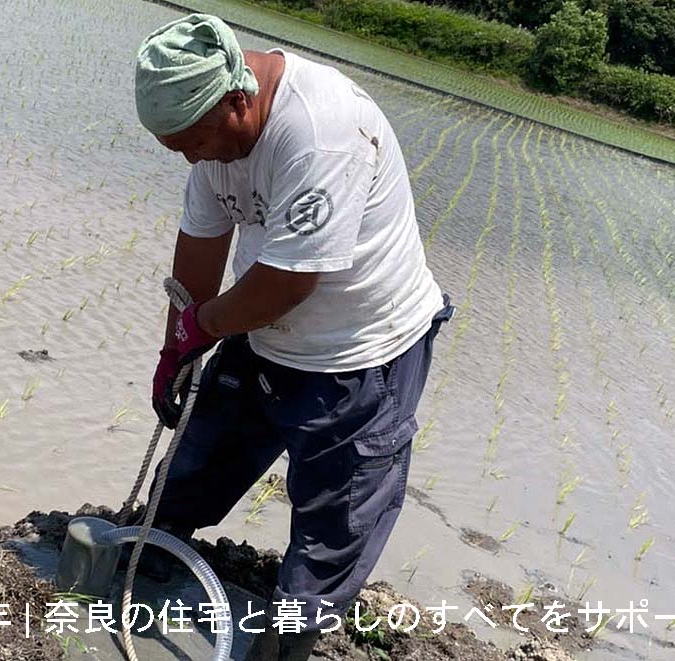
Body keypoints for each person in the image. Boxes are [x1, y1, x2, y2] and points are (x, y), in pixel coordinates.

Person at [132, 13, 454, 661]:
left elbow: (288, 284)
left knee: (335, 512)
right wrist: (179, 347)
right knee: (201, 451)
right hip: (261, 323)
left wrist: (207, 326)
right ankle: (151, 554)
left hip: (362, 348)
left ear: (238, 97)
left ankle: (288, 638)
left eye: (194, 141)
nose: (192, 158)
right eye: (176, 148)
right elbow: (201, 244)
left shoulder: (322, 132)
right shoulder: (214, 132)